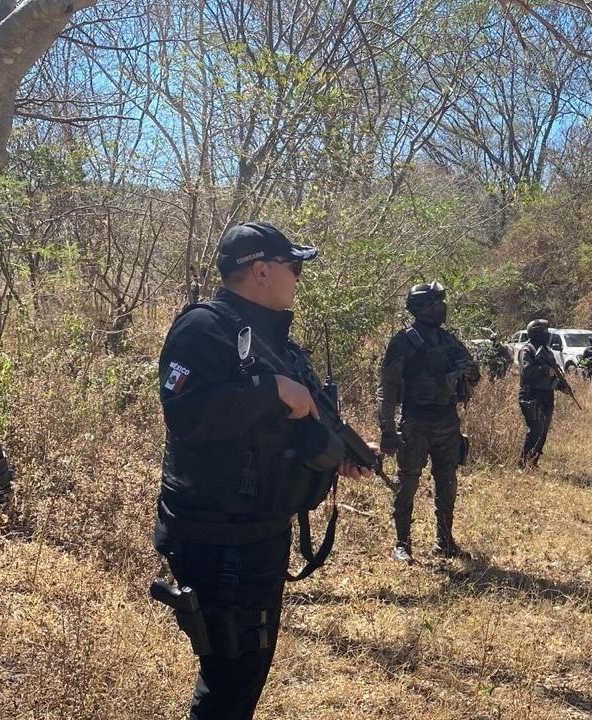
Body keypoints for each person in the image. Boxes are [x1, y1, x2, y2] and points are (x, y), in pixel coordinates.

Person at [153, 221, 371, 720]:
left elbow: (290, 426)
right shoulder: (203, 329)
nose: (299, 277)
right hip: (217, 536)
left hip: (261, 530)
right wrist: (270, 390)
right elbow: (186, 416)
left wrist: (341, 453)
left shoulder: (280, 343)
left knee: (245, 673)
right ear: (260, 271)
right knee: (230, 678)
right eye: (293, 267)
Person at [376, 281, 480, 564]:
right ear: (422, 308)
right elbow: (388, 387)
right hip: (415, 422)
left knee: (448, 483)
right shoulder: (404, 341)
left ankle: (444, 541)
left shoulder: (448, 340)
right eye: (436, 303)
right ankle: (402, 544)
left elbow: (472, 374)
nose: (442, 308)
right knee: (407, 484)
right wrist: (386, 429)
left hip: (447, 421)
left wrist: (470, 373)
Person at [517, 319, 568, 468]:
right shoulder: (527, 350)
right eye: (544, 331)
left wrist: (561, 386)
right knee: (535, 430)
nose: (547, 334)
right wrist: (545, 370)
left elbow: (553, 375)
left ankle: (533, 463)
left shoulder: (547, 351)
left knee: (543, 431)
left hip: (547, 395)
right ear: (536, 333)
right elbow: (526, 372)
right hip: (531, 395)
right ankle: (523, 463)